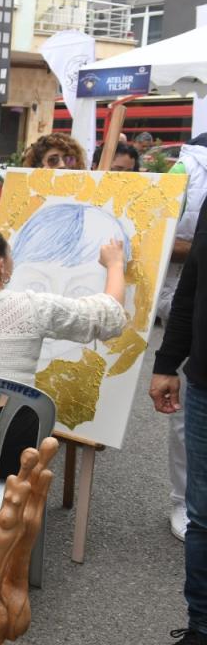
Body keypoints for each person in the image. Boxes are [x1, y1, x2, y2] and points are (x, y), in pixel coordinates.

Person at [0, 221, 127, 482]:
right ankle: (3, 517)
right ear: (1, 265)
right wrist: (115, 265)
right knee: (20, 422)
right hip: (14, 448)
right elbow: (109, 317)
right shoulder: (31, 306)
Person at [151, 151, 207, 645]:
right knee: (202, 513)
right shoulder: (193, 172)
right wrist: (167, 362)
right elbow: (191, 286)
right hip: (204, 371)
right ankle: (200, 626)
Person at [156, 134, 207, 543]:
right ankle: (184, 499)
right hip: (191, 322)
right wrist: (166, 362)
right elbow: (161, 232)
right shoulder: (186, 167)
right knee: (188, 418)